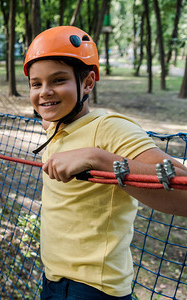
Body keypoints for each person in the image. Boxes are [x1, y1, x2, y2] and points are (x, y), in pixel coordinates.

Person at [23, 26, 187, 299]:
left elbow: (182, 186)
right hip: (53, 279)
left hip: (91, 289)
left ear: (88, 83)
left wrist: (97, 158)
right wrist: (52, 113)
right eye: (36, 84)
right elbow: (58, 117)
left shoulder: (109, 128)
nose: (45, 92)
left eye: (58, 80)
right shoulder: (58, 126)